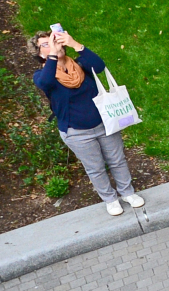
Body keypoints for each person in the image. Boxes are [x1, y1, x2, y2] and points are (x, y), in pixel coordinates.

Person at [33, 28, 144, 216]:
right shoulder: (42, 75)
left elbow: (99, 66)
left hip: (104, 123)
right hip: (76, 132)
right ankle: (110, 199)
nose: (53, 44)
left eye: (54, 40)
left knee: (117, 160)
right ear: (40, 54)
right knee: (96, 168)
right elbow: (45, 83)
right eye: (45, 44)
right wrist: (53, 55)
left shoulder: (79, 65)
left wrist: (75, 44)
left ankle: (128, 193)